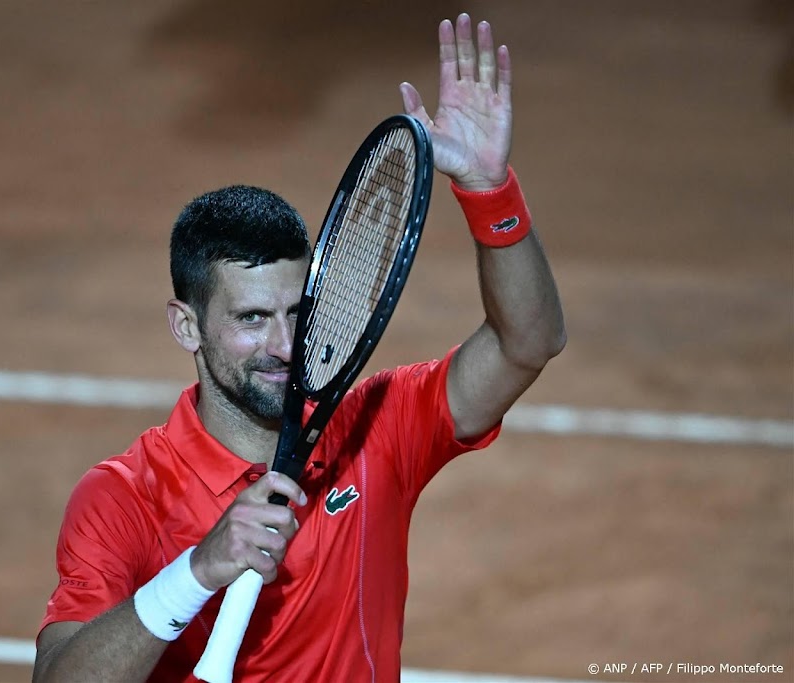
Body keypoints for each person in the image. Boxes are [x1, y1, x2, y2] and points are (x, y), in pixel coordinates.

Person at [33, 13, 566, 683]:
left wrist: (490, 193)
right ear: (186, 326)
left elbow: (530, 341)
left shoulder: (376, 429)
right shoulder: (123, 497)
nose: (285, 345)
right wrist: (196, 571)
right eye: (252, 318)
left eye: (296, 312)